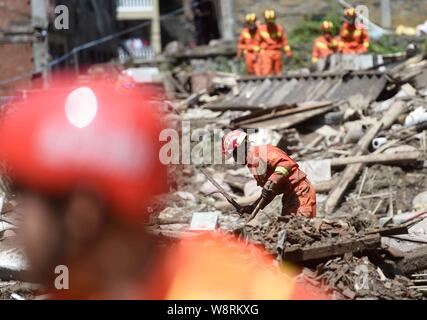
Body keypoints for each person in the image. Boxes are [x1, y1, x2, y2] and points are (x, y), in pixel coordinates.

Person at [0, 79, 324, 300]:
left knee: (299, 226)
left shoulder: (239, 291)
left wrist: (263, 193)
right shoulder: (244, 284)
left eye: (27, 197)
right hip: (289, 198)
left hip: (299, 196)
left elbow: (283, 172)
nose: (20, 216)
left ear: (81, 213)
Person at [222, 130, 316, 219]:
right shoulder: (253, 165)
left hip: (301, 193)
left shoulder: (263, 152)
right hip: (289, 197)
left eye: (233, 155)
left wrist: (272, 180)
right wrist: (254, 207)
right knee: (287, 227)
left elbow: (286, 164)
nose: (234, 160)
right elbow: (269, 191)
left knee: (299, 227)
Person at [256, 9, 292, 76]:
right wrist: (256, 53)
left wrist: (288, 52)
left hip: (277, 52)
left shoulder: (279, 28)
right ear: (265, 20)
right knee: (266, 71)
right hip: (266, 52)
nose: (270, 22)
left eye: (271, 20)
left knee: (278, 73)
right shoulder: (261, 29)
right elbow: (256, 42)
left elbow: (284, 41)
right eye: (268, 20)